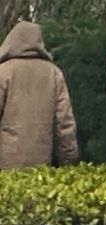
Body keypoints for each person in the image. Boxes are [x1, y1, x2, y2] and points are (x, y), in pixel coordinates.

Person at [0, 21, 80, 170]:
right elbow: (64, 124)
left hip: (5, 165)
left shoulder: (3, 72)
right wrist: (69, 162)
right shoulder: (54, 73)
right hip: (42, 165)